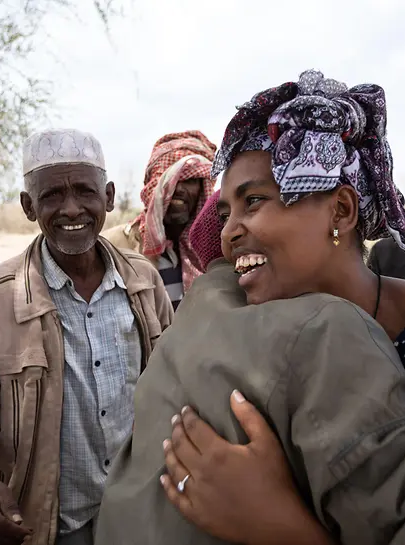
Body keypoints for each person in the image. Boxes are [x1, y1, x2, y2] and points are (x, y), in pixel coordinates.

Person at [95, 71, 405, 545]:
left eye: (255, 201)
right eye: (225, 214)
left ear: (341, 211)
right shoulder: (253, 324)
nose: (228, 232)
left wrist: (281, 526)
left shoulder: (333, 337)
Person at [0, 128, 173, 545]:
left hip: (139, 511)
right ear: (27, 205)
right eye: (51, 195)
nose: (71, 208)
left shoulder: (143, 280)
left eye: (84, 191)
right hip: (54, 524)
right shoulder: (2, 296)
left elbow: (172, 382)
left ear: (108, 197)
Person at [102, 131, 216, 310]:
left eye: (190, 180)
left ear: (202, 189)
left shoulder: (216, 250)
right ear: (153, 186)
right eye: (170, 180)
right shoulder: (114, 247)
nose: (179, 189)